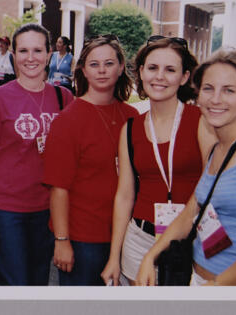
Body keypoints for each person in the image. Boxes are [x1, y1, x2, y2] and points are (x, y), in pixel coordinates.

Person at [136, 48, 236, 286]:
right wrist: (151, 256)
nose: (215, 99)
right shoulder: (216, 150)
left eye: (229, 90)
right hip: (199, 278)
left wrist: (215, 290)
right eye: (208, 89)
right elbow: (190, 214)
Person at [101, 36, 217, 286]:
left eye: (170, 69)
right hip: (140, 238)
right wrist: (114, 256)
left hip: (194, 238)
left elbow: (213, 186)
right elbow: (124, 196)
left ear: (184, 77)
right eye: (152, 68)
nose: (159, 77)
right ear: (141, 72)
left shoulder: (202, 121)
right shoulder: (130, 129)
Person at [0, 23, 74, 285]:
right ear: (14, 55)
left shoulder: (64, 98)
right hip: (8, 209)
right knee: (14, 283)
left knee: (38, 280)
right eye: (23, 50)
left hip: (48, 208)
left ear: (49, 54)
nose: (30, 58)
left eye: (37, 50)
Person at [42, 34, 139, 285]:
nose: (102, 70)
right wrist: (62, 241)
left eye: (109, 63)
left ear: (120, 67)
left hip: (126, 234)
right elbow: (58, 188)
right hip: (84, 238)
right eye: (94, 64)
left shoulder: (132, 116)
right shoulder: (68, 120)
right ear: (83, 70)